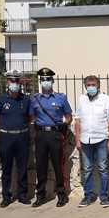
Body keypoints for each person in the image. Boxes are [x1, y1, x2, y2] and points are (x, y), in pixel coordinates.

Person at [29, 67, 73, 208]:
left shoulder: (61, 98)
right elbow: (32, 118)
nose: (45, 82)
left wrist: (62, 127)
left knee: (58, 166)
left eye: (48, 79)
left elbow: (69, 117)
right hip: (41, 135)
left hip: (55, 135)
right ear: (40, 82)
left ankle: (61, 195)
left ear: (53, 81)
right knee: (40, 166)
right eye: (43, 80)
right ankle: (40, 195)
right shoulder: (35, 99)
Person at [75, 75, 109, 208]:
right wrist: (78, 140)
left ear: (98, 86)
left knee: (103, 169)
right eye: (89, 85)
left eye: (94, 85)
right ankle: (88, 196)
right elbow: (78, 120)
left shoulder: (105, 99)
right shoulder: (82, 100)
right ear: (85, 86)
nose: (91, 87)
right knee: (87, 169)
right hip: (86, 139)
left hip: (101, 139)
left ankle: (104, 197)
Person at [0, 69, 32, 208]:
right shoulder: (0, 100)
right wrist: (6, 129)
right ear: (7, 82)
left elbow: (29, 118)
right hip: (6, 136)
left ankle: (22, 194)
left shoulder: (26, 100)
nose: (14, 83)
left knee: (22, 168)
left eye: (17, 81)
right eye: (12, 80)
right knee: (7, 168)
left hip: (22, 136)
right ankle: (6, 196)